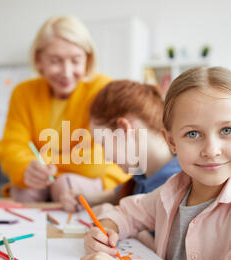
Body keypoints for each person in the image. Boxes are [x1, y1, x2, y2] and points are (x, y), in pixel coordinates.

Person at [78, 66, 231, 260]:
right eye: (193, 134)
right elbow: (127, 213)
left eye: (227, 130)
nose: (211, 150)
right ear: (172, 141)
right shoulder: (172, 191)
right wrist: (105, 229)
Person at [0, 16, 128, 202]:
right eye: (55, 61)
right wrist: (26, 168)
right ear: (39, 59)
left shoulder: (103, 89)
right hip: (48, 180)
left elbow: (96, 161)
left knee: (65, 183)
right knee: (24, 190)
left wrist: (47, 161)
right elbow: (11, 146)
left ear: (88, 59)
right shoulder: (23, 92)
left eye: (75, 61)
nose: (66, 72)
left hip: (100, 180)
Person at [59, 80, 181, 215]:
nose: (106, 156)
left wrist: (117, 218)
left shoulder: (177, 186)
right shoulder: (143, 176)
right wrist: (83, 198)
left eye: (104, 143)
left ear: (124, 128)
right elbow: (120, 193)